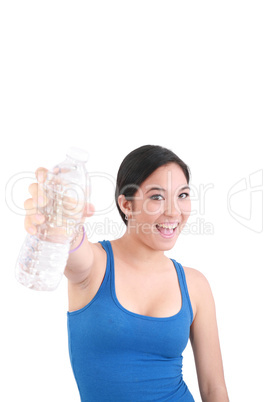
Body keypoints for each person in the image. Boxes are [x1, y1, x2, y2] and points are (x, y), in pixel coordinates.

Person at [24, 145, 229, 401]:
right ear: (126, 204)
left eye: (183, 195)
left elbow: (214, 389)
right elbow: (70, 242)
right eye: (157, 197)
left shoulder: (195, 284)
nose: (174, 211)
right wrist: (60, 219)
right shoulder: (95, 265)